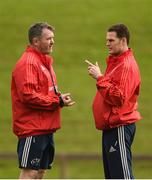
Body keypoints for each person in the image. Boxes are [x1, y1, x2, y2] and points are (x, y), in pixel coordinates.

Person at [11, 22, 75, 179]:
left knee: (40, 172)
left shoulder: (44, 62)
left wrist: (59, 98)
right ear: (35, 41)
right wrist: (56, 102)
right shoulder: (28, 63)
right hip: (32, 128)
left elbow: (45, 92)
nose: (53, 41)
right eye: (49, 38)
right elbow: (28, 95)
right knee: (30, 172)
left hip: (46, 128)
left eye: (53, 38)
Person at [85, 24, 141, 179]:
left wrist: (99, 77)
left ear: (123, 41)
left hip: (120, 126)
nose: (107, 43)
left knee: (121, 176)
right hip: (112, 126)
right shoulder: (116, 62)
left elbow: (118, 98)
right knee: (113, 176)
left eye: (111, 40)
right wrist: (102, 76)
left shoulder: (126, 65)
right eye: (107, 40)